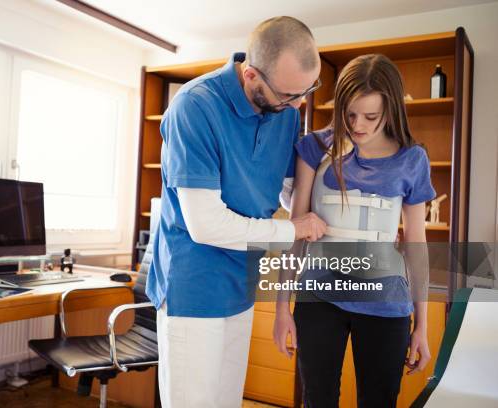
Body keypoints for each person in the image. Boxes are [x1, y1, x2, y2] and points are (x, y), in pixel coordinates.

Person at [146, 16, 326, 408]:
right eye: (287, 95)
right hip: (194, 285)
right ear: (250, 76)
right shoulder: (194, 108)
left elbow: (283, 190)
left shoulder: (287, 111)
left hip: (241, 282)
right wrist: (294, 230)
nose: (297, 105)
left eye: (306, 92)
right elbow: (206, 224)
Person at [273, 53, 434, 407]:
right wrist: (282, 307)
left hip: (386, 302)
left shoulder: (412, 159)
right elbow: (295, 232)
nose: (358, 124)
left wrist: (422, 326)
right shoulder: (315, 148)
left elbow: (417, 246)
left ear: (391, 111)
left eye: (371, 116)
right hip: (319, 299)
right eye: (349, 114)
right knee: (318, 399)